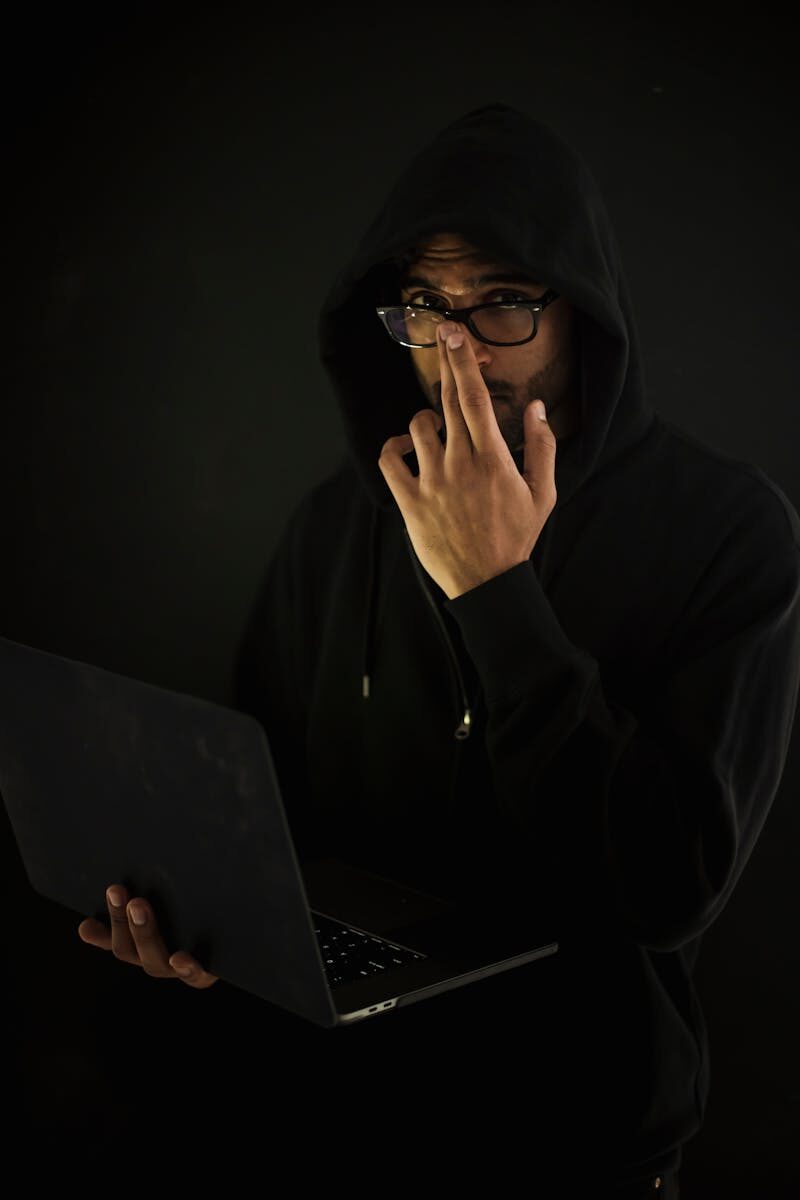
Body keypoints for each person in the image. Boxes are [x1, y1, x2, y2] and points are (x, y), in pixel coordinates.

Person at [77, 103, 800, 1194]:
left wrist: (493, 590)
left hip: (578, 1149)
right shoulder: (336, 524)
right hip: (335, 1133)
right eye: (426, 306)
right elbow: (260, 822)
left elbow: (664, 885)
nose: (457, 348)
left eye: (503, 300)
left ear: (582, 315)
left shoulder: (725, 532)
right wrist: (183, 924)